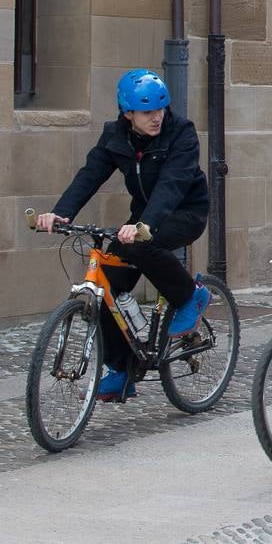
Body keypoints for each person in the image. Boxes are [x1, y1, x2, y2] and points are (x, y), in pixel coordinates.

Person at [35, 69, 212, 401]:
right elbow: (90, 174)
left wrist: (145, 225)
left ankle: (191, 295)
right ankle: (120, 370)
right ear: (127, 112)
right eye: (147, 112)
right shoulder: (115, 135)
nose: (156, 118)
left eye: (160, 109)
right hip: (143, 216)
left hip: (184, 211)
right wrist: (62, 212)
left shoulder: (181, 133)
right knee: (109, 282)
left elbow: (172, 185)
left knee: (144, 246)